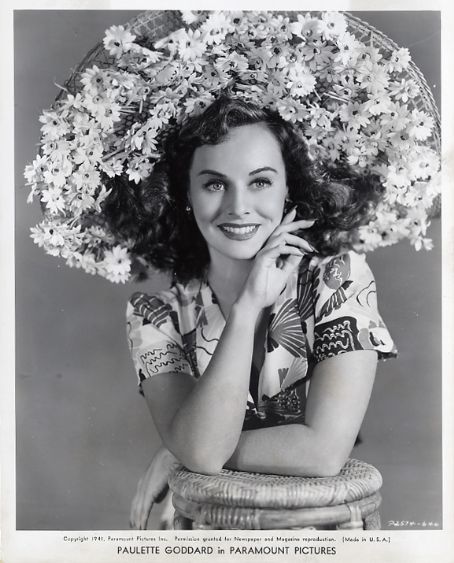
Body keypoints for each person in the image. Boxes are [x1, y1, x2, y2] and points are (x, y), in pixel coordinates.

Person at [107, 96, 397, 529]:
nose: (238, 206)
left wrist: (178, 449)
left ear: (288, 190)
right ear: (186, 195)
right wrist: (246, 310)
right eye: (214, 184)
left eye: (260, 181)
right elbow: (202, 453)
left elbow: (323, 453)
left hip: (322, 535)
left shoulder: (337, 280)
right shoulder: (155, 316)